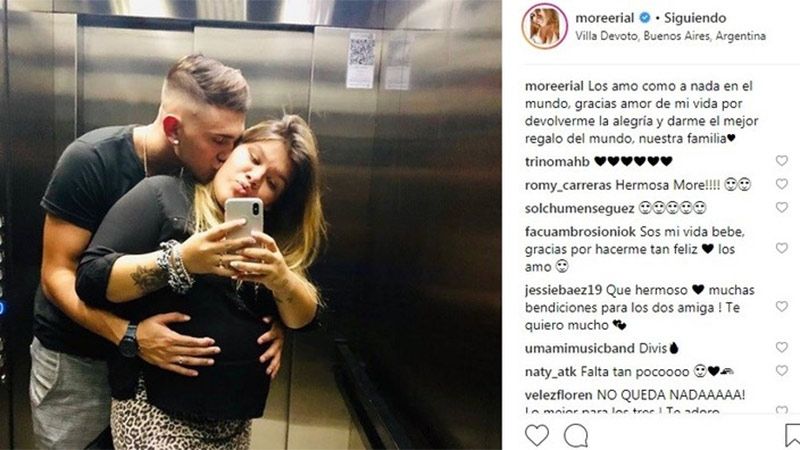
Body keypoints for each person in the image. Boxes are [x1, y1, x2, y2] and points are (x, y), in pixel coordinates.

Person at [30, 54, 285, 449]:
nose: (229, 153)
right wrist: (128, 335)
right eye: (219, 140)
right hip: (79, 359)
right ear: (173, 129)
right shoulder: (92, 160)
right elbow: (57, 274)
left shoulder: (205, 175)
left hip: (152, 378)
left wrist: (270, 324)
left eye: (236, 140)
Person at [75, 115, 325, 449]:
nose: (255, 178)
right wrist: (181, 261)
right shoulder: (163, 196)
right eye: (254, 158)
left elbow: (305, 319)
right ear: (234, 149)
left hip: (234, 423)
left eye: (273, 183)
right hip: (158, 414)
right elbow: (91, 279)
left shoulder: (266, 240)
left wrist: (282, 282)